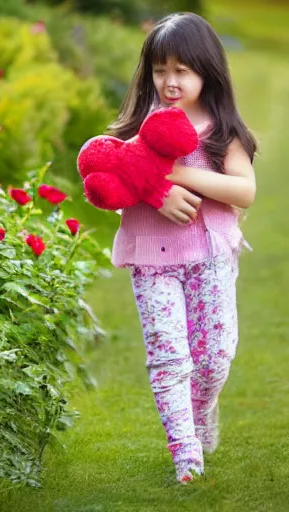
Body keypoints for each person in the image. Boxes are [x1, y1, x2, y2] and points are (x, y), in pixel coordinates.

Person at [107, 12, 257, 484]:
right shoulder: (136, 127)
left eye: (182, 71)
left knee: (214, 357)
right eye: (159, 70)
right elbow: (107, 182)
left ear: (205, 71)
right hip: (152, 257)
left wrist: (174, 175)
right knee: (169, 357)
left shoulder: (220, 127)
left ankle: (202, 407)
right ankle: (184, 451)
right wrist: (155, 193)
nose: (169, 82)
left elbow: (244, 192)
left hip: (209, 254)